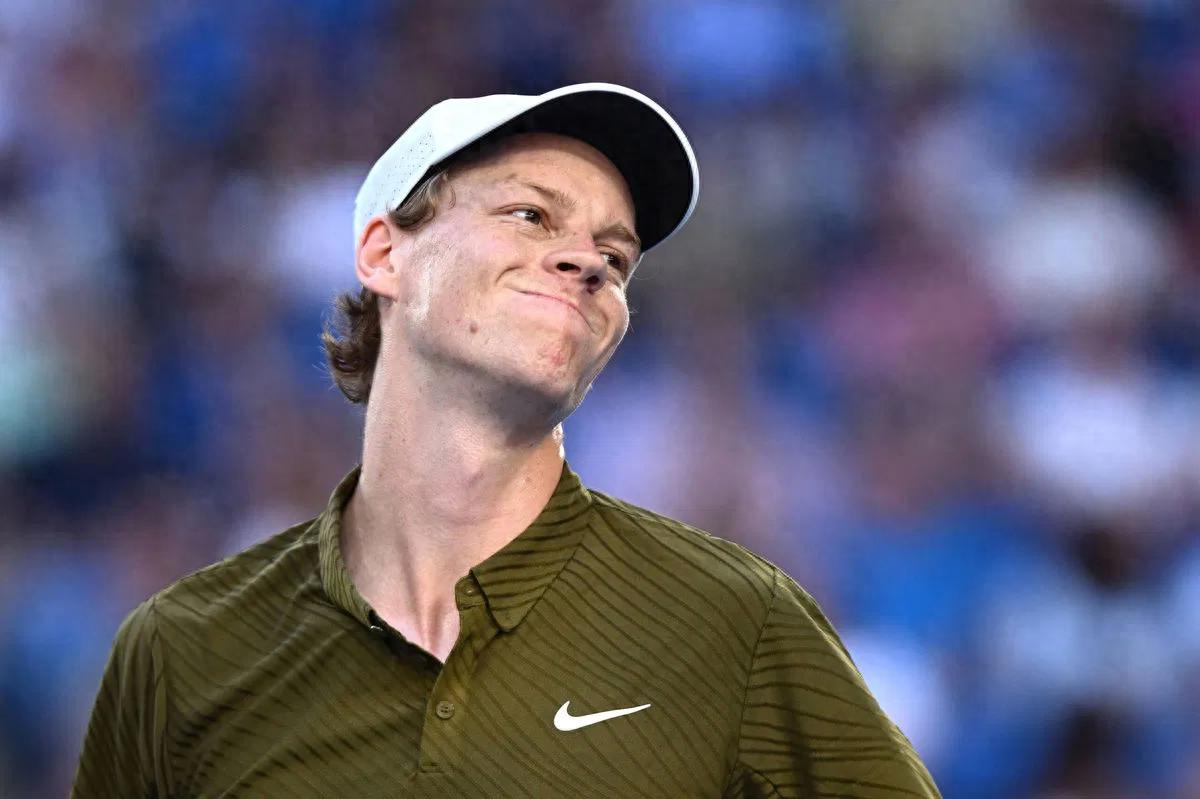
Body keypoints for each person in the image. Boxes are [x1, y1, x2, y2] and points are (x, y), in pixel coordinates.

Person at [72, 83, 940, 798]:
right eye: (530, 214)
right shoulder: (181, 650)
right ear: (384, 254)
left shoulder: (735, 624)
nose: (588, 262)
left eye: (616, 256)